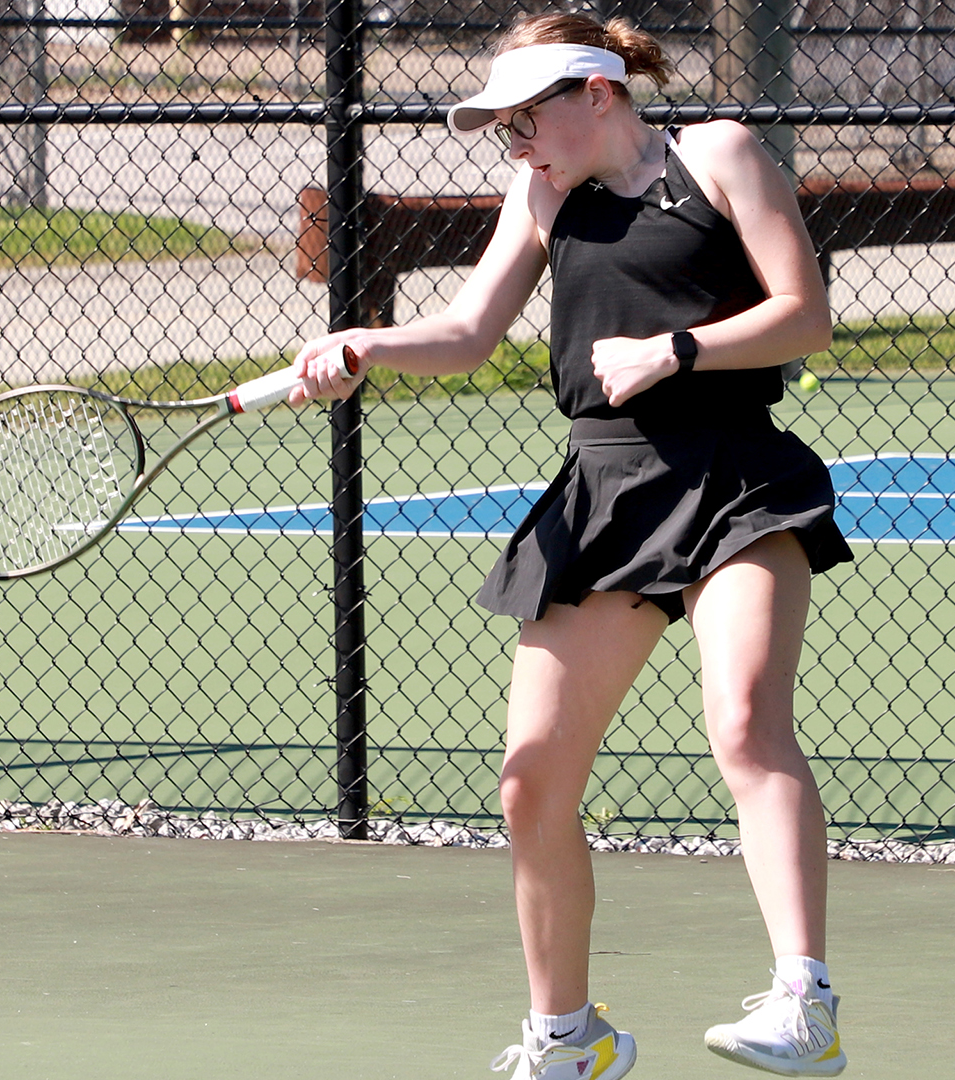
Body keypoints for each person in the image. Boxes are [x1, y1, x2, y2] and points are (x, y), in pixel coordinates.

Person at [289, 11, 854, 1080]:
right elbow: (467, 334)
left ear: (597, 92)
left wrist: (677, 351)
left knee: (742, 721)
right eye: (501, 129)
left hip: (734, 477)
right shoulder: (541, 193)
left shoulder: (718, 154)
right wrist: (364, 341)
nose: (514, 144)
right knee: (531, 778)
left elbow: (804, 314)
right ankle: (568, 1037)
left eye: (524, 119)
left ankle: (804, 1003)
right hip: (600, 493)